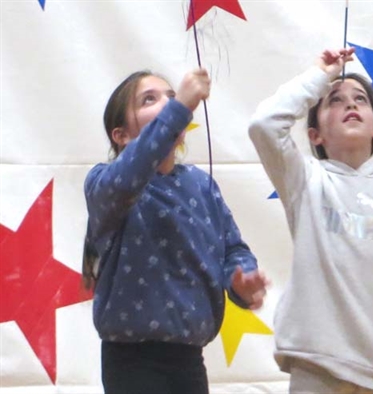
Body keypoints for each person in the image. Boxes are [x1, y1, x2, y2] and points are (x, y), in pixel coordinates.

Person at [248, 48, 373, 394]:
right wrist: (320, 75)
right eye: (335, 100)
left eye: (360, 99)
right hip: (318, 366)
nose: (350, 105)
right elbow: (264, 125)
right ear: (315, 135)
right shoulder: (305, 181)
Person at [82, 68, 269, 394]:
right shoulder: (104, 182)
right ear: (121, 135)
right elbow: (126, 179)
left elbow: (232, 248)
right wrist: (180, 106)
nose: (168, 103)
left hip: (188, 358)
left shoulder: (200, 185)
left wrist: (242, 279)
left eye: (170, 96)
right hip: (131, 362)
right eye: (149, 99)